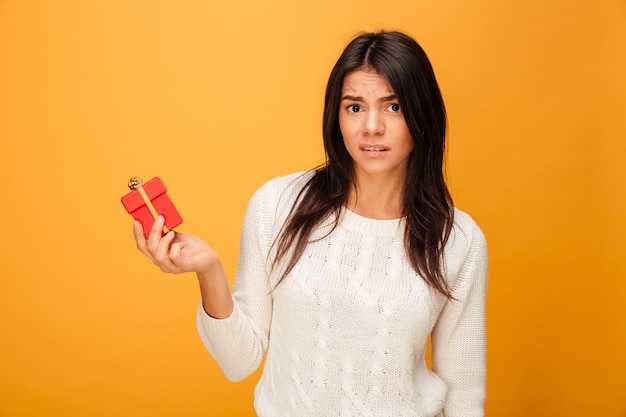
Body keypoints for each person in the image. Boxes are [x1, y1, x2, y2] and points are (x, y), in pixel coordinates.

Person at [134, 30, 488, 417]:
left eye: (393, 106)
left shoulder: (457, 240)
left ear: (423, 115)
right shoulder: (278, 205)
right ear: (336, 116)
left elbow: (463, 387)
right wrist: (209, 271)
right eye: (354, 107)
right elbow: (239, 362)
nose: (371, 126)